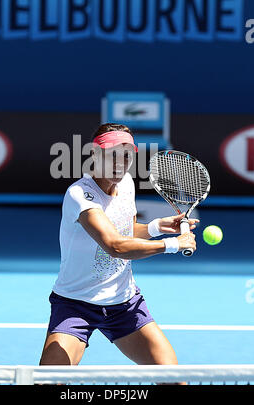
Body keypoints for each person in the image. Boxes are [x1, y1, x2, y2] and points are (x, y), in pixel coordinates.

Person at [40, 123, 197, 368]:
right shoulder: (79, 195)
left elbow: (125, 232)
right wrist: (173, 244)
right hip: (76, 304)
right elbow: (114, 245)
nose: (119, 162)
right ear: (94, 154)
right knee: (47, 381)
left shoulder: (126, 185)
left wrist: (156, 227)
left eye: (126, 155)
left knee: (174, 379)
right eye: (112, 154)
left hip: (124, 304)